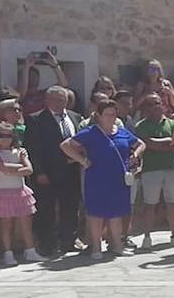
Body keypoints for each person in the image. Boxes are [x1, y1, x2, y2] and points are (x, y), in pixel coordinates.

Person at [60, 101, 144, 260]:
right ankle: (96, 248)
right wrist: (82, 160)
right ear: (99, 115)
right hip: (97, 179)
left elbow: (141, 144)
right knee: (96, 214)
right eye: (108, 114)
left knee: (116, 214)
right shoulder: (90, 132)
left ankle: (117, 246)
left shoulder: (122, 131)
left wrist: (135, 154)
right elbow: (66, 145)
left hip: (118, 179)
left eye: (114, 114)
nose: (111, 117)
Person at [23, 85, 82, 257]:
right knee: (46, 209)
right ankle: (47, 243)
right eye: (55, 99)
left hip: (72, 171)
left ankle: (69, 241)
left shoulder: (75, 117)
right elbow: (34, 148)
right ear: (47, 100)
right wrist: (39, 172)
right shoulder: (36, 119)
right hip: (48, 173)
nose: (59, 102)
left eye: (62, 99)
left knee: (70, 206)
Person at [0, 122, 47, 264]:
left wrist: (12, 169)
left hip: (20, 190)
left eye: (8, 136)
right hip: (1, 192)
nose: (5, 139)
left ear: (13, 137)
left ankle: (30, 250)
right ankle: (7, 252)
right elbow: (2, 168)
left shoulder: (20, 151)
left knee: (26, 221)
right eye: (1, 136)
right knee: (5, 223)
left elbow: (29, 170)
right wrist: (19, 167)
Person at [132, 93, 174, 250]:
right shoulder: (140, 126)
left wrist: (159, 142)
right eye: (151, 104)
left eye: (158, 103)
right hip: (151, 170)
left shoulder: (173, 124)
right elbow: (147, 144)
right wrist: (167, 142)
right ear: (146, 108)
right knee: (150, 204)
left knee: (173, 203)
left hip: (171, 168)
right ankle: (147, 237)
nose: (155, 106)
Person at [18, 51, 68, 116]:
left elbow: (63, 84)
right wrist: (26, 67)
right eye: (30, 76)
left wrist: (55, 65)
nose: (33, 79)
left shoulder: (44, 93)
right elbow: (23, 90)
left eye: (35, 76)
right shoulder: (21, 96)